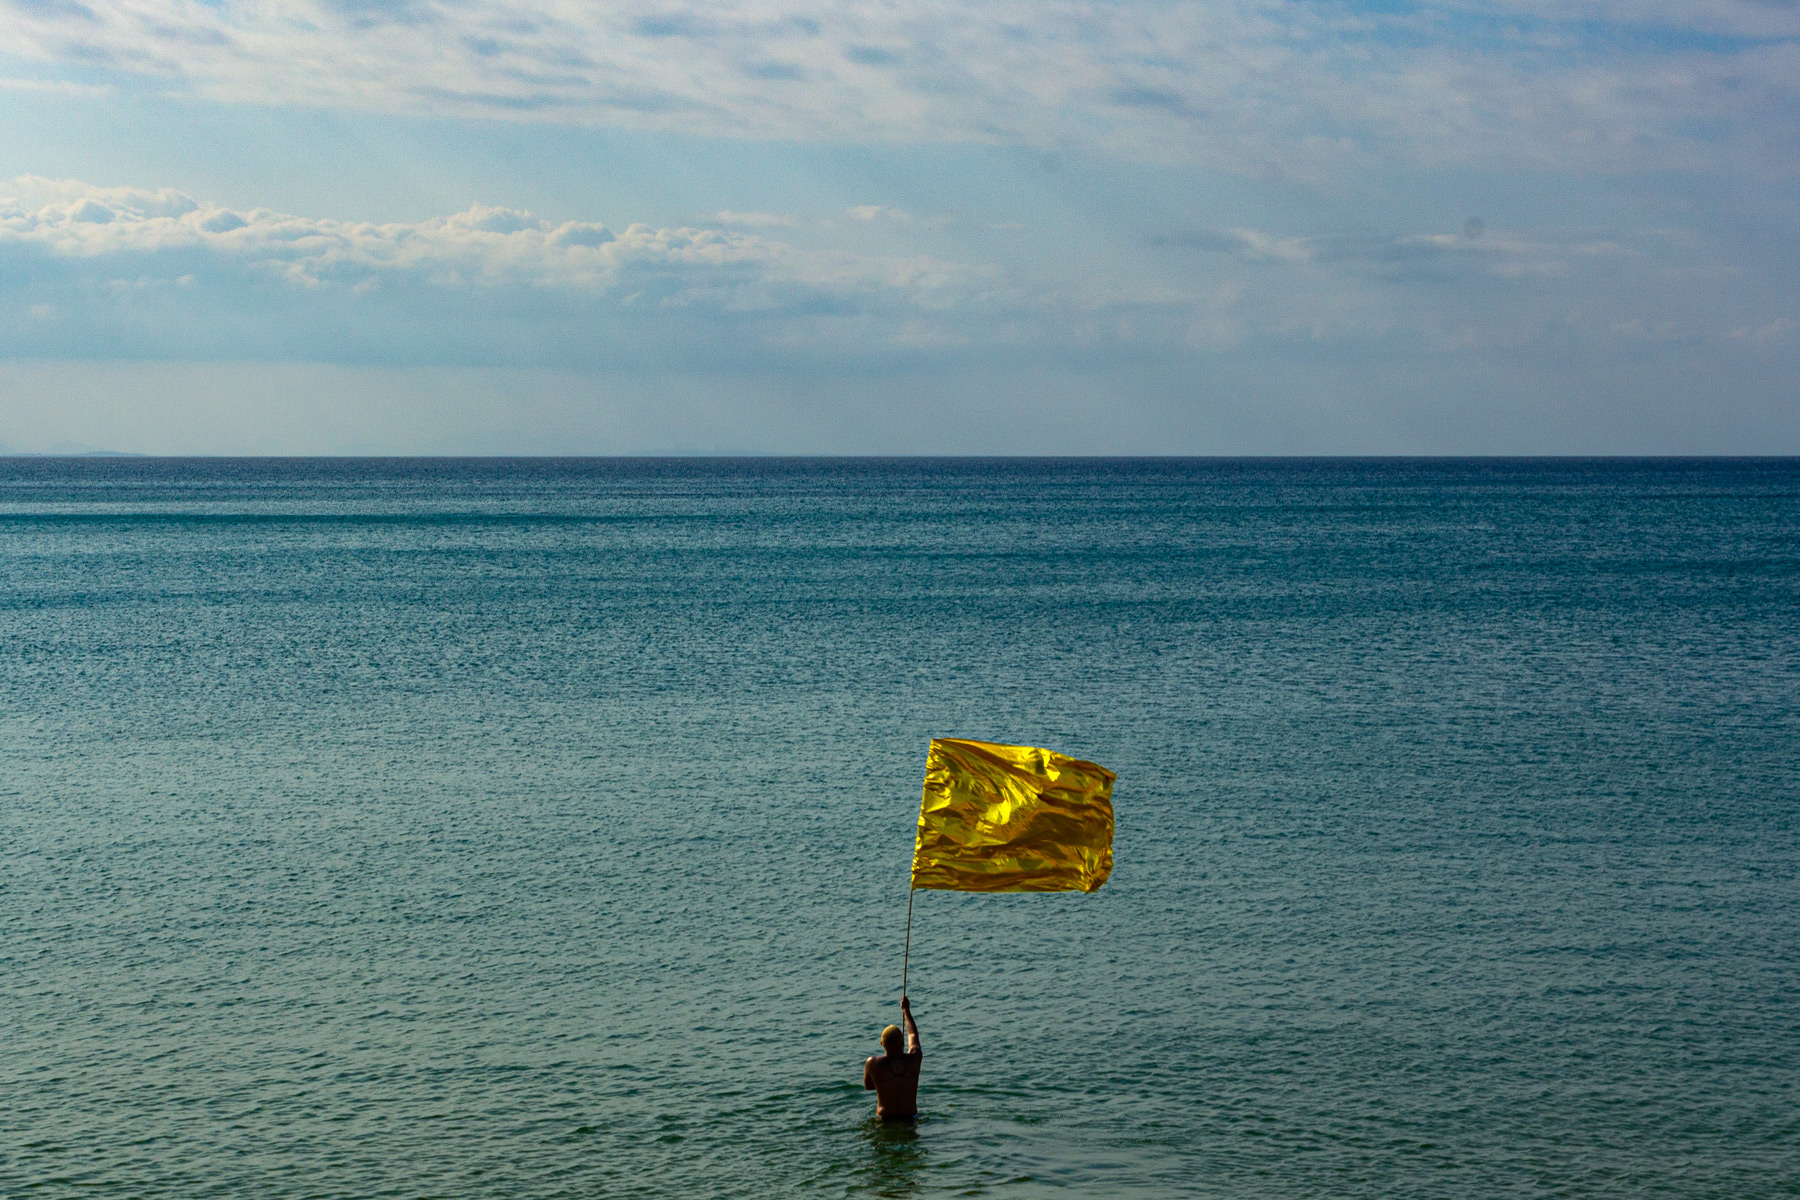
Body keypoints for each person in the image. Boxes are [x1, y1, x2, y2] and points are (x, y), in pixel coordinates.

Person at [863, 996, 922, 1120]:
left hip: (884, 1119)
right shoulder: (914, 1059)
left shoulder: (873, 1063)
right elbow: (913, 1034)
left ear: (882, 1044)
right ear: (903, 1043)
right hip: (910, 1117)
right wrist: (906, 1010)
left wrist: (885, 1082)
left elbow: (869, 1086)